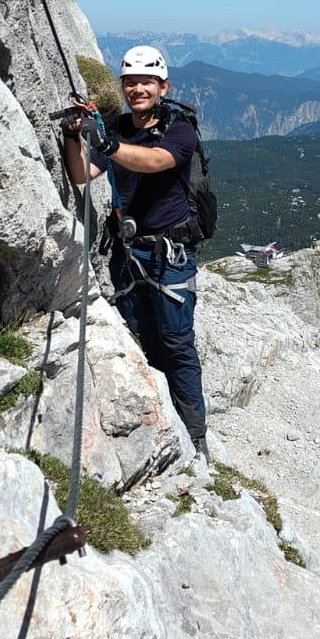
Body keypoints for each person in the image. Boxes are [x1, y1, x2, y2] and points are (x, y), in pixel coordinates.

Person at [62, 45, 208, 459]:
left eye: (147, 81)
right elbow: (80, 174)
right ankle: (157, 425)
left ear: (163, 86)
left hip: (169, 255)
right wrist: (75, 135)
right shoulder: (118, 126)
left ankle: (196, 438)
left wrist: (106, 145)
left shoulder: (179, 130)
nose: (138, 88)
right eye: (130, 81)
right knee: (137, 340)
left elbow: (156, 161)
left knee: (176, 344)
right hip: (128, 255)